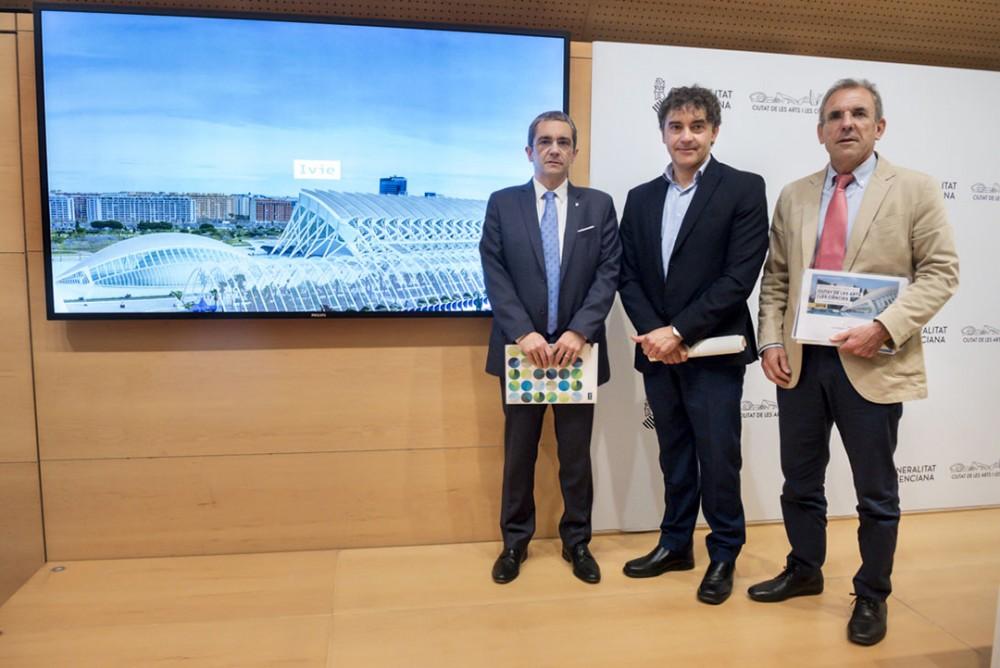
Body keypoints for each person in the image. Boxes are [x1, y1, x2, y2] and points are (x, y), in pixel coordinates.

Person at [751, 78, 959, 645]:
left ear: (879, 127)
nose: (847, 123)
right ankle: (804, 568)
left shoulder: (914, 189)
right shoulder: (794, 195)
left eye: (859, 114)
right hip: (801, 363)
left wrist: (884, 327)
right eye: (836, 116)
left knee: (875, 492)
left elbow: (941, 272)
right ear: (820, 131)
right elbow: (776, 278)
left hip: (872, 360)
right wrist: (770, 342)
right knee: (799, 480)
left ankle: (872, 593)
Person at [617, 86, 769, 604]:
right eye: (676, 127)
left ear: (714, 132)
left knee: (719, 458)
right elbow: (627, 275)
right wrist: (657, 336)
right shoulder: (640, 197)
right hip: (659, 354)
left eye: (697, 126)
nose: (686, 136)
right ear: (663, 133)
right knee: (674, 454)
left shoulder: (744, 188)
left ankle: (724, 552)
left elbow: (738, 278)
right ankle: (675, 543)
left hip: (714, 352)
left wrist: (678, 332)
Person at [479, 110, 622, 584]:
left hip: (577, 354)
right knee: (519, 453)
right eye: (545, 141)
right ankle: (514, 543)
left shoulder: (598, 206)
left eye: (563, 141)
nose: (554, 149)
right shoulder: (503, 204)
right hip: (522, 353)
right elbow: (495, 272)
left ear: (575, 152)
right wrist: (524, 333)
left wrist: (579, 331)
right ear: (529, 151)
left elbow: (609, 272)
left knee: (575, 456)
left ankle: (577, 541)